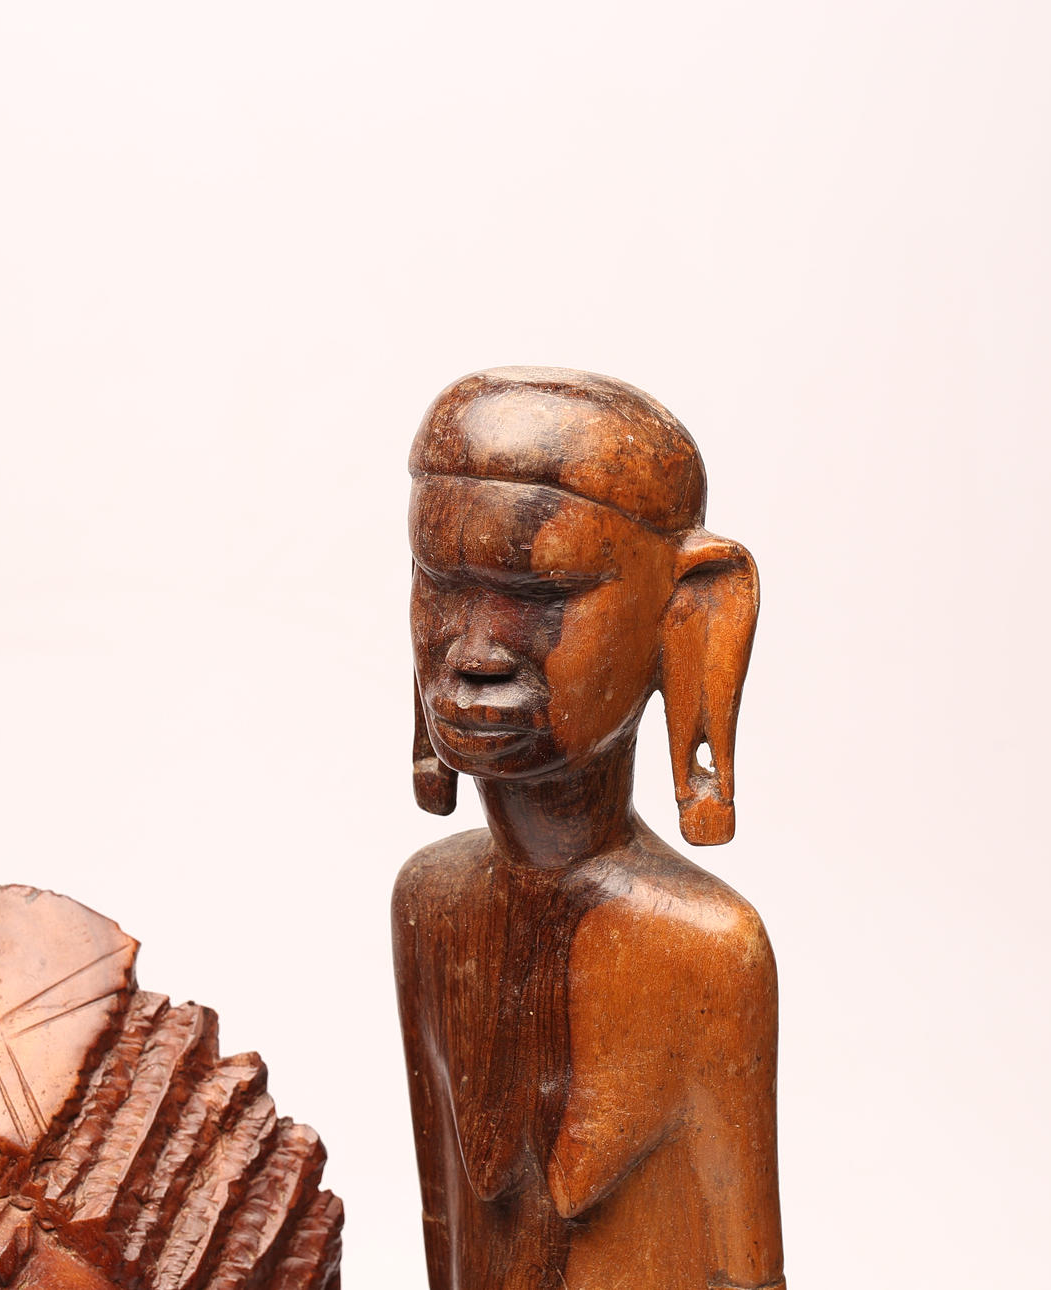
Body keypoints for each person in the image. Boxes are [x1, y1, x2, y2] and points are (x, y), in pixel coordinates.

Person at [394, 367, 785, 1290]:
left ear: (691, 612)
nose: (475, 652)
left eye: (545, 592)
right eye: (441, 583)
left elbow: (747, 1273)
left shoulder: (704, 949)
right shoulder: (429, 904)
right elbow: (444, 1226)